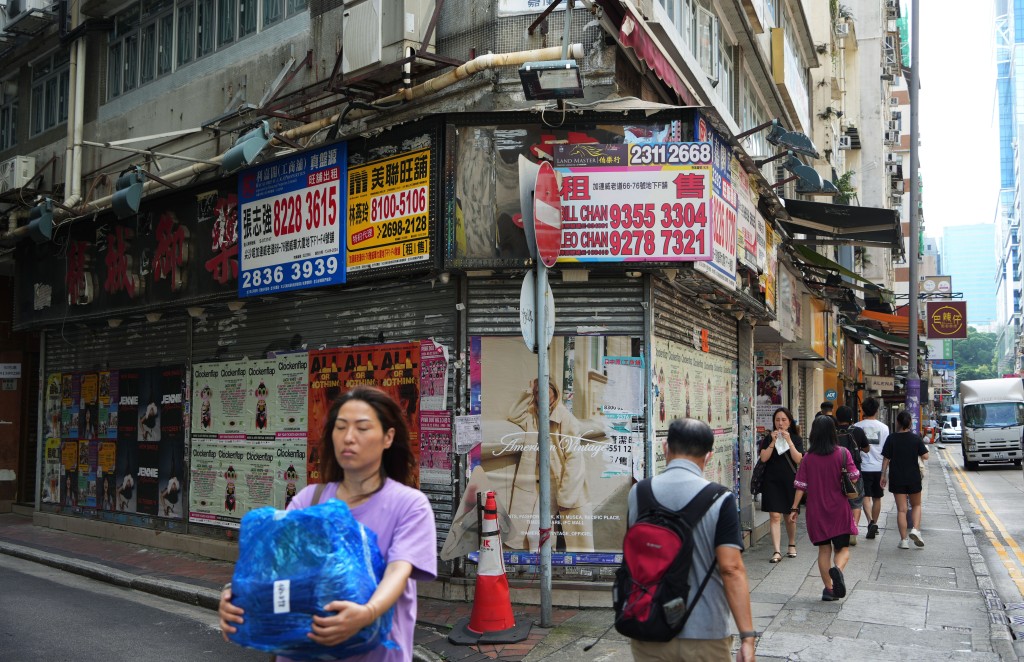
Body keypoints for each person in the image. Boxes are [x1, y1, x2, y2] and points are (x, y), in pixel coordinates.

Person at [219, 386, 437, 661]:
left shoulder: (409, 505)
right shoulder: (308, 500)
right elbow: (274, 570)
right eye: (340, 427)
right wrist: (233, 597)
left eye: (362, 428)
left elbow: (398, 570)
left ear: (388, 437)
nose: (349, 437)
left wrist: (367, 613)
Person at [627, 418, 756, 662]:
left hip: (649, 628)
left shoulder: (638, 493)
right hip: (705, 632)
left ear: (665, 447)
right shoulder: (721, 499)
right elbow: (731, 569)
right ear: (709, 456)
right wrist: (747, 636)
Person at [506, 378, 594, 552]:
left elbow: (575, 458)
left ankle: (544, 565)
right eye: (538, 392)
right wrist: (528, 392)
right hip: (538, 481)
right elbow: (514, 415)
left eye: (546, 391)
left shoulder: (566, 419)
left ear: (555, 392)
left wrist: (566, 495)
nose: (542, 395)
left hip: (560, 482)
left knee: (540, 532)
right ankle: (542, 564)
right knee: (536, 532)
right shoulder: (533, 414)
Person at [788, 415, 859, 602]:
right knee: (843, 549)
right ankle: (838, 569)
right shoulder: (843, 453)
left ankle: (829, 589)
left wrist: (794, 509)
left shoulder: (808, 459)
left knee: (823, 550)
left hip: (816, 511)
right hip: (839, 510)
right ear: (833, 433)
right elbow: (854, 477)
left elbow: (800, 486)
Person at [757, 407, 803, 563]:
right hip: (771, 481)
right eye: (777, 420)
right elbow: (763, 458)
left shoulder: (796, 439)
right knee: (774, 516)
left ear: (789, 421)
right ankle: (776, 551)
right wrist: (773, 441)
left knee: (789, 517)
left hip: (789, 481)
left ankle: (791, 544)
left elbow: (799, 460)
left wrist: (789, 441)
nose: (780, 423)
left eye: (784, 420)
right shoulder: (768, 438)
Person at [881, 410, 930, 549]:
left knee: (901, 510)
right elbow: (925, 456)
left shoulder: (891, 438)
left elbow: (886, 458)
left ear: (898, 422)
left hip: (897, 478)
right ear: (910, 423)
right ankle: (915, 529)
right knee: (916, 505)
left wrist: (883, 475)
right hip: (913, 477)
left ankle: (903, 541)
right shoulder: (915, 439)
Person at [853, 397, 889, 540]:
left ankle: (870, 522)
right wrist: (884, 472)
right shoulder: (884, 428)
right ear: (876, 410)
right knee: (877, 497)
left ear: (863, 410)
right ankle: (874, 523)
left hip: (863, 467)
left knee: (864, 496)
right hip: (878, 467)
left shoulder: (856, 426)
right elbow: (887, 451)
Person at [835, 406, 870, 545]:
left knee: (838, 501)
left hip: (835, 472)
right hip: (854, 472)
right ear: (851, 418)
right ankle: (853, 529)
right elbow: (866, 449)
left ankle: (839, 529)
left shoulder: (832, 431)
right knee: (855, 503)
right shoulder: (858, 431)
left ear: (837, 418)